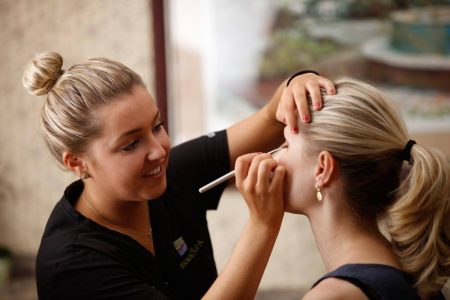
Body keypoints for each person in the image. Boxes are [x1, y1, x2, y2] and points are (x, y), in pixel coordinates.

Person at [22, 52, 334, 299]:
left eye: (157, 126)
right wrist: (263, 225)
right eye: (130, 144)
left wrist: (300, 81)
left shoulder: (170, 174)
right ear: (77, 163)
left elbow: (270, 118)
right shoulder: (73, 266)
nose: (158, 150)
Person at [274, 78, 450, 299]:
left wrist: (260, 225)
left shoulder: (333, 296)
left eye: (286, 145)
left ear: (322, 169)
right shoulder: (411, 277)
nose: (272, 157)